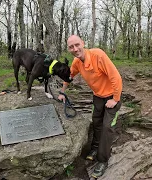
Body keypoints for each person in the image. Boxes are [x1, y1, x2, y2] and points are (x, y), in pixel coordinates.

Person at [58, 35, 122, 178]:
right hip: (98, 96)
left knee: (107, 127)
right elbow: (69, 76)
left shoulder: (98, 55)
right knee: (96, 122)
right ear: (69, 49)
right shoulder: (76, 62)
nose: (75, 49)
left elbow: (116, 77)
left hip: (112, 96)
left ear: (83, 43)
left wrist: (115, 99)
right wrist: (62, 92)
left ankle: (103, 160)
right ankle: (94, 148)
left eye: (77, 45)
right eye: (71, 47)